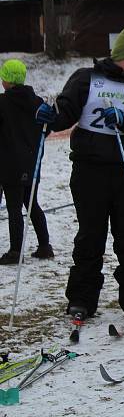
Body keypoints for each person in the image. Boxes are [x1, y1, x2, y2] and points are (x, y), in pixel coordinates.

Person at [35, 27, 124, 320]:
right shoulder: (85, 79)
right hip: (89, 169)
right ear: (118, 56)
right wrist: (49, 117)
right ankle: (82, 298)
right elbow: (64, 114)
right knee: (90, 236)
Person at [0, 59, 53, 264]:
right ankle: (45, 245)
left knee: (14, 207)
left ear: (7, 80)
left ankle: (15, 251)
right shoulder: (37, 101)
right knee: (31, 203)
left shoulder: (3, 103)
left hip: (9, 164)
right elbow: (46, 128)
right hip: (32, 162)